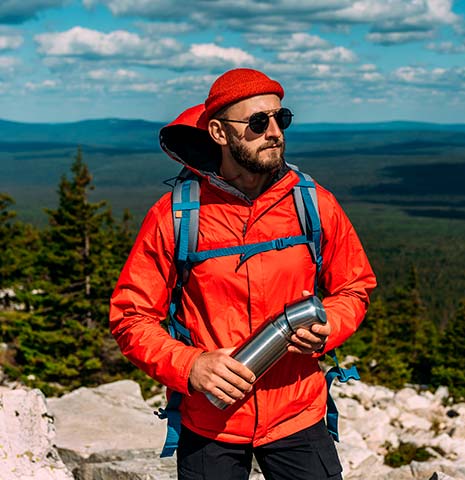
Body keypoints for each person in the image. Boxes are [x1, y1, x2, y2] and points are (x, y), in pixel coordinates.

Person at [110, 68, 376, 480]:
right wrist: (190, 366)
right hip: (210, 422)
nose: (274, 132)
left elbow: (354, 286)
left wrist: (330, 326)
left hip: (298, 414)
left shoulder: (313, 205)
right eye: (257, 122)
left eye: (280, 118)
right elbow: (131, 316)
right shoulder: (176, 216)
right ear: (219, 132)